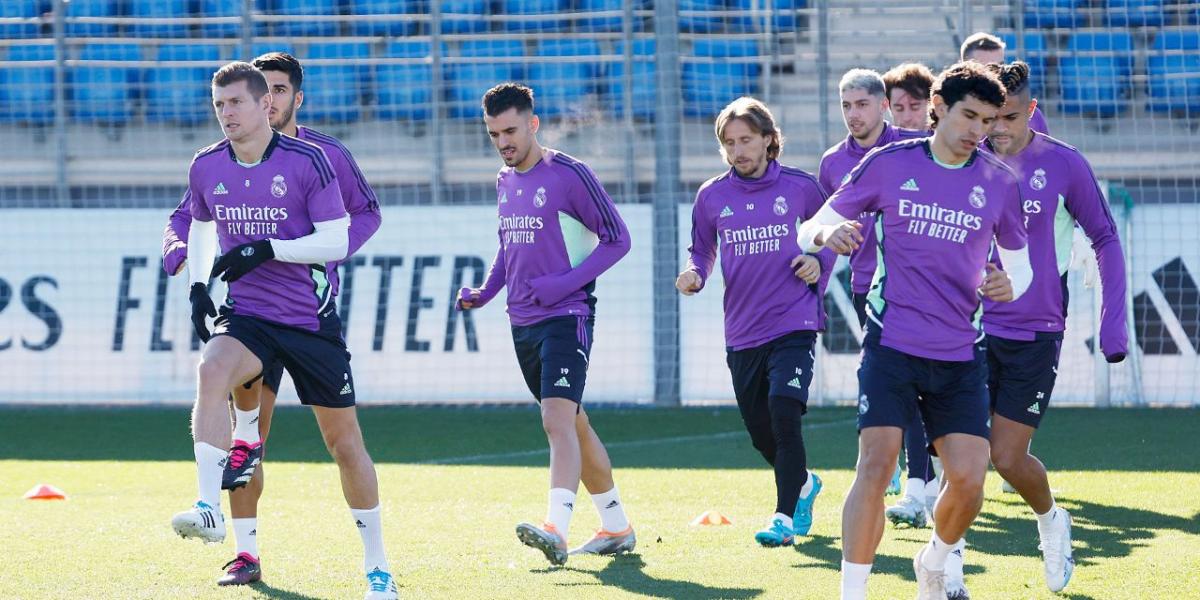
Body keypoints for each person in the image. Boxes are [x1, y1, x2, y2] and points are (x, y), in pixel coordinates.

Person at [797, 61, 1033, 600]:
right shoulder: (889, 164)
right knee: (875, 467)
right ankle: (852, 593)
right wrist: (829, 232)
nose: (979, 129)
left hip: (959, 353)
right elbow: (810, 228)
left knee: (970, 482)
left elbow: (1021, 268)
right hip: (892, 344)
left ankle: (934, 560)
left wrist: (1007, 284)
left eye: (988, 119)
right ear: (939, 109)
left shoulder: (998, 181)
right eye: (969, 115)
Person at [168, 61, 396, 600]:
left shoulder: (317, 158)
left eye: (250, 99)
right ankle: (215, 517)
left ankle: (377, 567)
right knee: (215, 375)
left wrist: (270, 249)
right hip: (249, 317)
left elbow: (342, 234)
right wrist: (198, 283)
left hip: (309, 319)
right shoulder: (207, 164)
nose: (233, 111)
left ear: (291, 98)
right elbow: (194, 223)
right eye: (220, 104)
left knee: (344, 444)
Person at [456, 83, 635, 566]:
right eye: (494, 134)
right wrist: (485, 292)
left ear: (533, 124)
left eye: (511, 130)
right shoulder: (504, 178)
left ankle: (556, 526)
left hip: (567, 317)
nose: (503, 142)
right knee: (574, 424)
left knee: (556, 418)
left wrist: (565, 284)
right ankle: (616, 524)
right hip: (523, 322)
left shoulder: (570, 174)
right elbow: (507, 243)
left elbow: (618, 240)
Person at [981, 60, 1129, 594]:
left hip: (1035, 330)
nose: (997, 128)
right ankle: (943, 570)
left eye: (1010, 117)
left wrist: (1114, 324)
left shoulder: (1063, 164)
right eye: (988, 118)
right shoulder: (962, 160)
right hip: (966, 329)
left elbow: (1106, 240)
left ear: (1032, 111)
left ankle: (1050, 521)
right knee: (960, 457)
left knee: (1005, 457)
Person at [677, 97, 831, 549]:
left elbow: (834, 236)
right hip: (742, 330)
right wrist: (696, 273)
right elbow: (702, 248)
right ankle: (802, 483)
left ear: (768, 139)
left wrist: (817, 262)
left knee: (785, 414)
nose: (738, 150)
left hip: (794, 320)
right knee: (762, 432)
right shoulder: (711, 196)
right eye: (729, 143)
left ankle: (783, 518)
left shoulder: (801, 187)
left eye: (746, 139)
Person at [817, 68, 931, 513]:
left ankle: (919, 488)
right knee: (886, 386)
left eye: (861, 104)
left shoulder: (912, 148)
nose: (853, 114)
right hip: (869, 290)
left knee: (918, 387)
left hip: (919, 288)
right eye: (846, 105)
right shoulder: (832, 162)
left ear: (884, 106)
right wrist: (818, 282)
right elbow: (821, 230)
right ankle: (902, 474)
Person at [961, 31, 1049, 134]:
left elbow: (1042, 148)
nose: (994, 74)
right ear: (965, 68)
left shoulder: (1030, 115)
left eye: (999, 66)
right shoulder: (949, 116)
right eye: (985, 68)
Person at [882, 62, 934, 131]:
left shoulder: (946, 140)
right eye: (899, 109)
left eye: (915, 107)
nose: (907, 118)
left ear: (930, 103)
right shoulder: (878, 140)